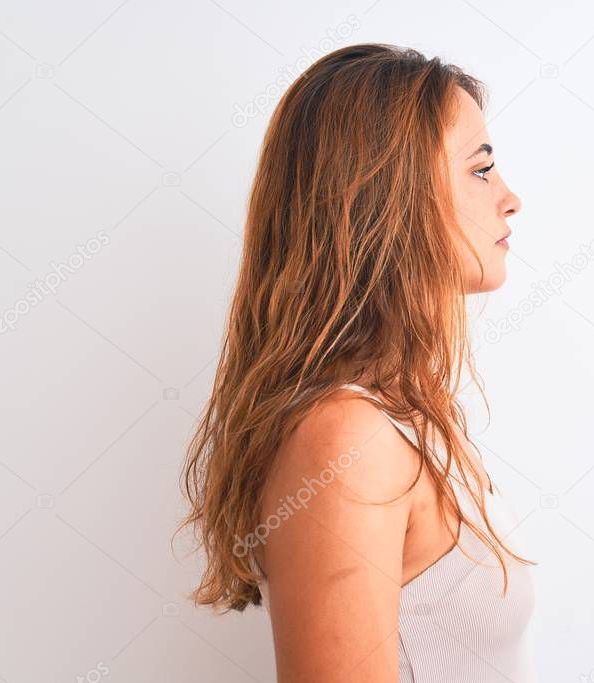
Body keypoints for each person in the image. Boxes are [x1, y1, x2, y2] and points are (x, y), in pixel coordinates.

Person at [179, 43, 536, 681]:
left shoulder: (407, 416)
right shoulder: (348, 438)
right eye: (481, 170)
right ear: (389, 192)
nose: (511, 199)